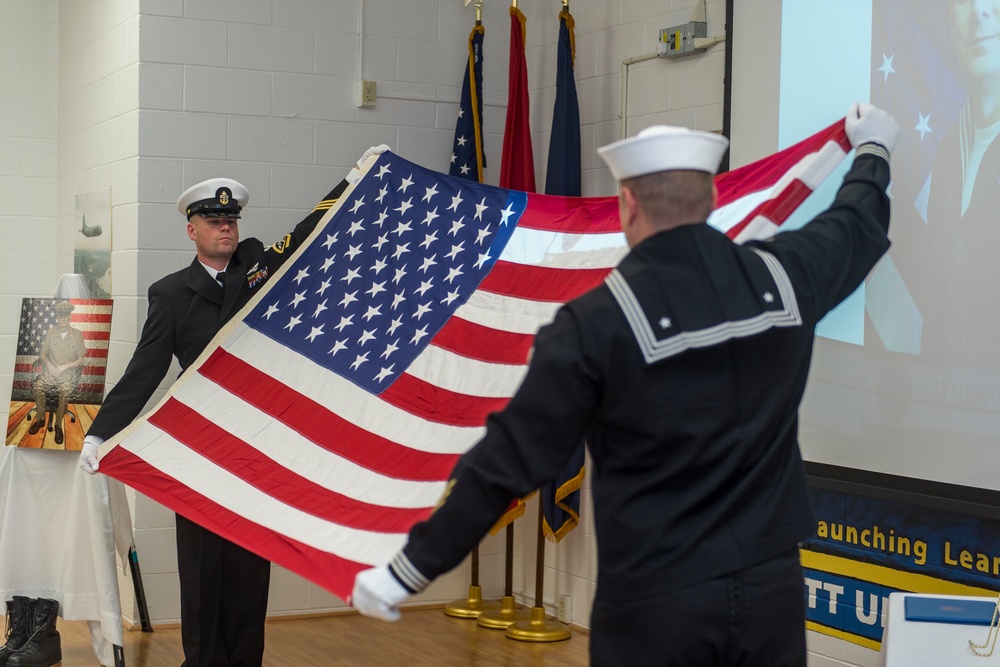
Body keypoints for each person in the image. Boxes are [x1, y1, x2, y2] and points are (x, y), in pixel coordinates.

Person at [350, 104, 899, 666]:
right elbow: (855, 224)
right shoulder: (786, 278)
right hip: (772, 594)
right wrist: (873, 151)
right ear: (710, 199)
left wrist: (409, 570)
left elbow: (508, 462)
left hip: (657, 606)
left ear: (628, 204)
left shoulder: (594, 325)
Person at [78, 144, 389, 667]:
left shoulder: (259, 272)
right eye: (213, 220)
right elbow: (144, 372)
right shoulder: (171, 294)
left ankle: (246, 660)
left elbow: (307, 236)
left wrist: (352, 180)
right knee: (201, 570)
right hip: (199, 451)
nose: (225, 227)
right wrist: (99, 432)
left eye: (231, 220)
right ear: (191, 230)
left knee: (249, 569)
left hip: (254, 444)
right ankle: (201, 662)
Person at [28, 300, 86, 445]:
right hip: (51, 371)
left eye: (65, 316)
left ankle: (58, 426)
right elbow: (42, 354)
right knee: (38, 386)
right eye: (60, 317)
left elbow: (80, 359)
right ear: (57, 317)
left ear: (69, 317)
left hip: (67, 373)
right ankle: (40, 419)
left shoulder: (77, 334)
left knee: (65, 390)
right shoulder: (51, 332)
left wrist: (64, 367)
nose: (63, 319)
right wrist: (50, 365)